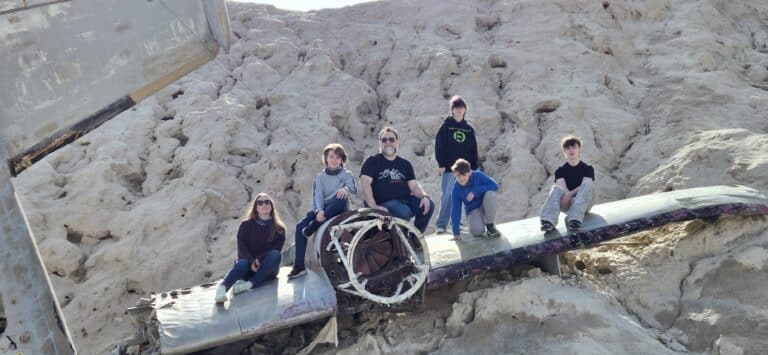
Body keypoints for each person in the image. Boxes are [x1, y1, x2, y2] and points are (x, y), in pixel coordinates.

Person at [288, 143, 357, 279]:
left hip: (339, 208)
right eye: (331, 157)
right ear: (326, 159)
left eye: (338, 157)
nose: (334, 160)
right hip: (323, 210)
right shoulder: (319, 178)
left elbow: (353, 189)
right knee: (300, 226)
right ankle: (299, 266)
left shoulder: (347, 174)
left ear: (342, 159)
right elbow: (317, 197)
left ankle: (314, 225)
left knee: (340, 196)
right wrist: (319, 211)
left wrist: (346, 189)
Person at [360, 126, 434, 234]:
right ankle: (402, 237)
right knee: (403, 211)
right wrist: (374, 206)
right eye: (384, 140)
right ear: (379, 143)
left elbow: (413, 186)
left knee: (429, 204)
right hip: (384, 204)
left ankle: (415, 237)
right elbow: (364, 183)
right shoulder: (372, 161)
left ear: (397, 142)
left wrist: (424, 196)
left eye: (391, 139)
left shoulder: (405, 164)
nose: (388, 142)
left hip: (406, 201)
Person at [216, 193, 286, 303]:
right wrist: (252, 261)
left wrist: (258, 260)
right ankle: (221, 290)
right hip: (248, 267)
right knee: (242, 262)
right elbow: (242, 249)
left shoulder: (279, 229)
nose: (264, 204)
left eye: (267, 202)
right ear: (256, 208)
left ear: (272, 206)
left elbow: (276, 249)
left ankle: (249, 284)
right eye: (260, 203)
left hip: (267, 270)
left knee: (276, 255)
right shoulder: (245, 225)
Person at [434, 95, 479, 234]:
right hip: (448, 168)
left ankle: (457, 223)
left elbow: (473, 149)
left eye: (461, 108)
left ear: (465, 110)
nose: (459, 111)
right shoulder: (446, 126)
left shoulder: (468, 129)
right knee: (447, 196)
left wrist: (474, 167)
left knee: (461, 195)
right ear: (452, 110)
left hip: (465, 170)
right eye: (456, 108)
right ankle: (441, 225)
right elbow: (439, 145)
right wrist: (441, 163)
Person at [539, 135, 595, 232]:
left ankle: (574, 220)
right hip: (567, 203)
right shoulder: (560, 171)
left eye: (574, 147)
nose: (571, 150)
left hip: (585, 203)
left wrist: (569, 194)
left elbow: (585, 186)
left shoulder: (588, 168)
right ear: (564, 151)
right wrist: (567, 196)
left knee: (587, 184)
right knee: (555, 188)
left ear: (579, 149)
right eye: (567, 148)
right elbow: (561, 187)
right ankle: (548, 221)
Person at [449, 159, 501, 240]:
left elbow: (495, 186)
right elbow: (455, 210)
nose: (460, 180)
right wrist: (456, 233)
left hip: (485, 205)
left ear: (469, 173)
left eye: (463, 177)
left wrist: (475, 191)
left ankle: (490, 226)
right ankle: (479, 223)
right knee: (477, 232)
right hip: (473, 210)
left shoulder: (478, 176)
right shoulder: (456, 189)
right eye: (457, 176)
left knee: (491, 194)